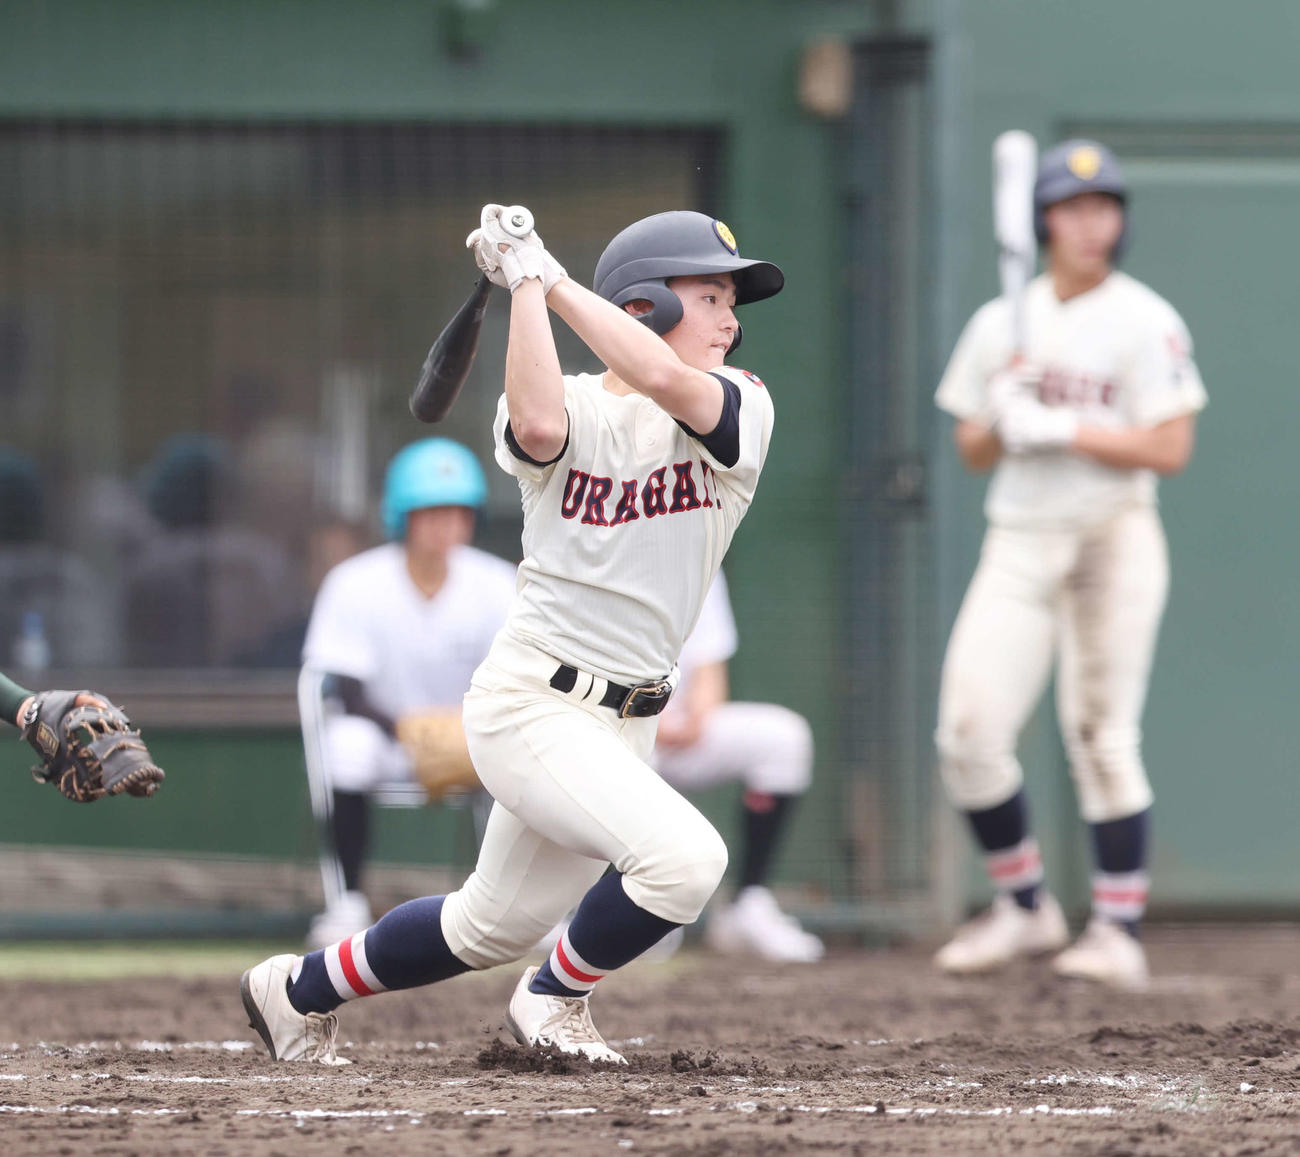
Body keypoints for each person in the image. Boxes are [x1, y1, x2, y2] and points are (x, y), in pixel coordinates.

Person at [241, 204, 782, 1065]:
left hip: (626, 718)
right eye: (710, 295)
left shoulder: (739, 405)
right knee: (684, 860)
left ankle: (297, 989)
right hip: (534, 700)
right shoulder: (559, 403)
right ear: (644, 303)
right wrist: (526, 280)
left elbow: (665, 383)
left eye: (731, 301)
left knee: (487, 924)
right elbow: (536, 428)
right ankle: (555, 999)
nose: (730, 318)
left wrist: (544, 273)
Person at [931, 140, 1206, 990]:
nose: (1094, 223)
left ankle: (1117, 930)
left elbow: (1170, 445)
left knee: (1102, 735)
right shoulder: (998, 322)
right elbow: (971, 445)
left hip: (1111, 537)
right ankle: (1025, 907)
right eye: (1076, 208)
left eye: (1106, 207)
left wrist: (1065, 428)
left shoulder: (1143, 317)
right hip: (1018, 538)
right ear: (1045, 218)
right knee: (969, 733)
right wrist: (1007, 412)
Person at [301, 437, 515, 948]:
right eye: (432, 511)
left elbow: (521, 677)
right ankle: (347, 901)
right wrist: (409, 729)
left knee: (530, 757)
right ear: (403, 516)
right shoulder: (355, 582)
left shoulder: (499, 582)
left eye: (458, 512)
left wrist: (468, 730)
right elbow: (345, 690)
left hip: (473, 742)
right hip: (388, 739)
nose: (447, 524)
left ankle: (514, 908)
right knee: (346, 747)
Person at [652, 570, 823, 963]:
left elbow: (710, 668)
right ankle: (629, 908)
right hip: (612, 732)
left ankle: (748, 903)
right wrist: (648, 722)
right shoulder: (603, 539)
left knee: (784, 739)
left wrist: (696, 717)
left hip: (680, 733)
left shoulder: (702, 551)